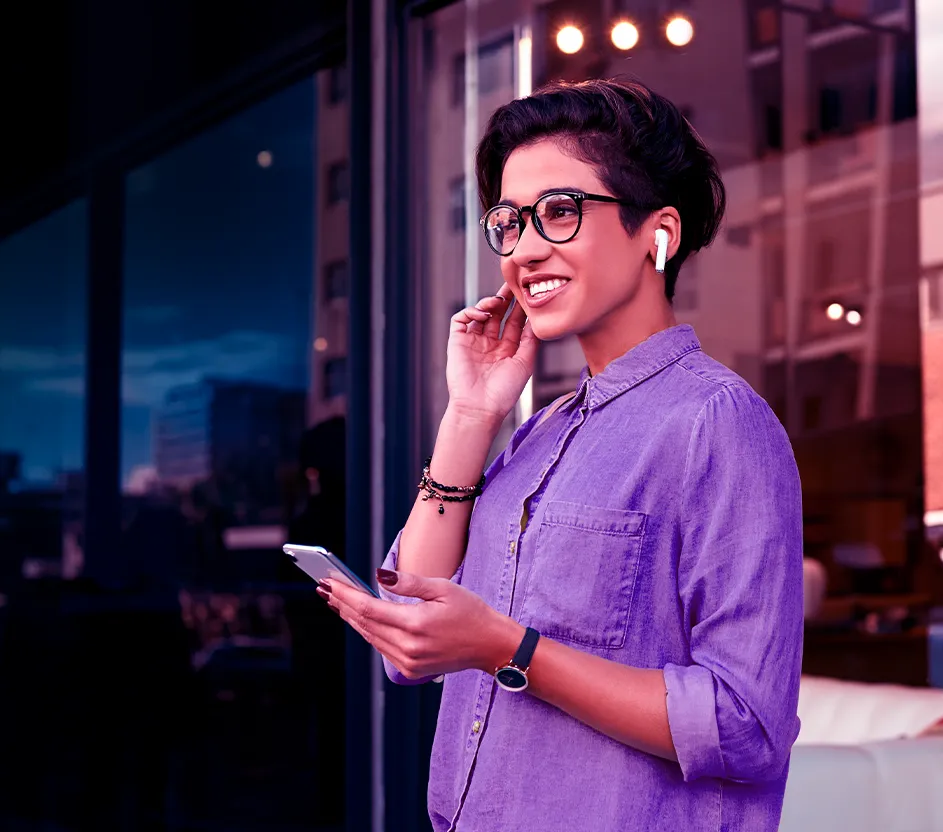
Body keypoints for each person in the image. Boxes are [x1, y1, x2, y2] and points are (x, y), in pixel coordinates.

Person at [323, 78, 804, 831]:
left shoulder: (717, 422)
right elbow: (408, 628)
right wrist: (470, 415)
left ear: (658, 233)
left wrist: (507, 649)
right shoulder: (539, 432)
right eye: (508, 222)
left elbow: (745, 725)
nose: (523, 250)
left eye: (559, 211)